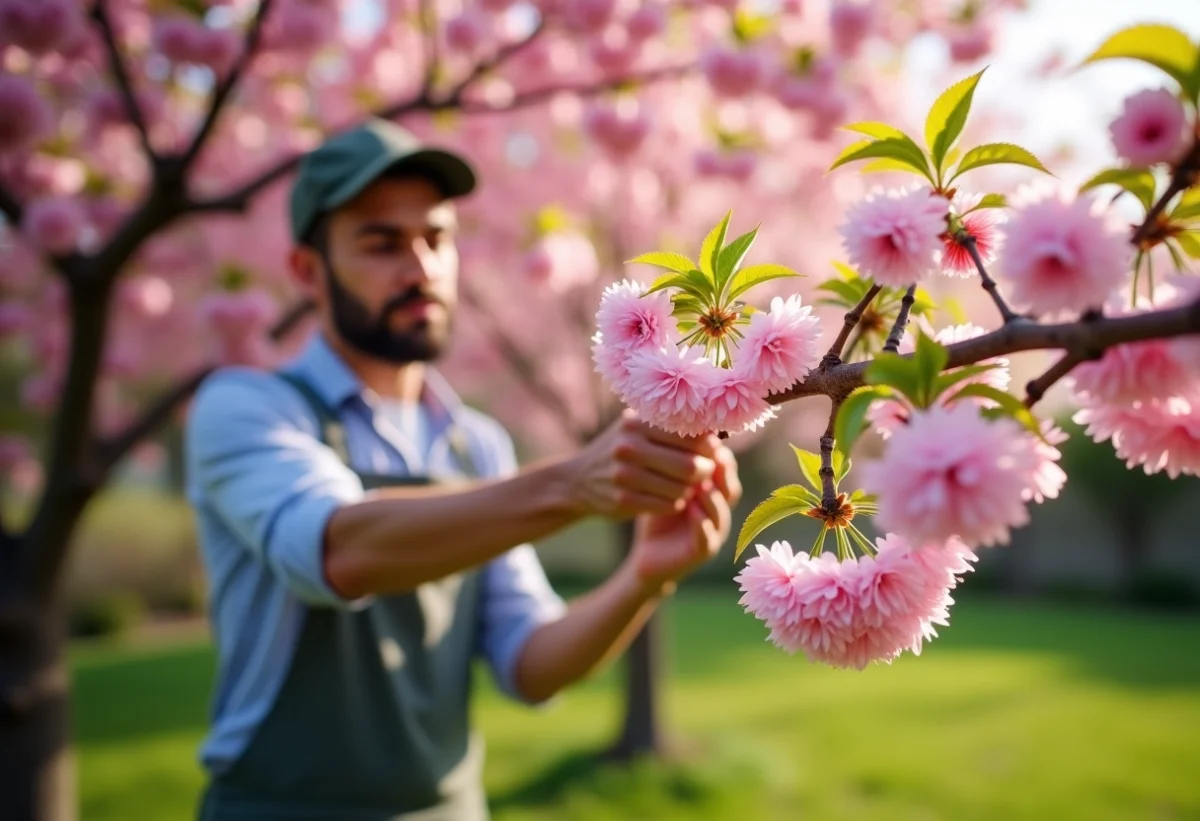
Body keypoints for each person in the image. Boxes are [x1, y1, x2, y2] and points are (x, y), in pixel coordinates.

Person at [184, 118, 741, 821]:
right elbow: (339, 548)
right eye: (382, 243)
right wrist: (572, 483)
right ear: (307, 271)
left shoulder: (475, 446)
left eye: (436, 238)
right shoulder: (248, 408)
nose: (421, 267)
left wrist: (646, 577)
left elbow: (531, 665)